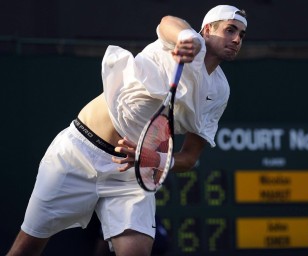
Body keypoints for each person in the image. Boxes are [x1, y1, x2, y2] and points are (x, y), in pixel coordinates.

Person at [6, 4, 247, 256]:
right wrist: (186, 38)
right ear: (207, 30)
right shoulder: (184, 40)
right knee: (27, 247)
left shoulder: (219, 92)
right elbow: (168, 21)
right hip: (78, 153)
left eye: (241, 35)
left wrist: (153, 159)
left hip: (130, 174)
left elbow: (188, 158)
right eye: (230, 30)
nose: (236, 39)